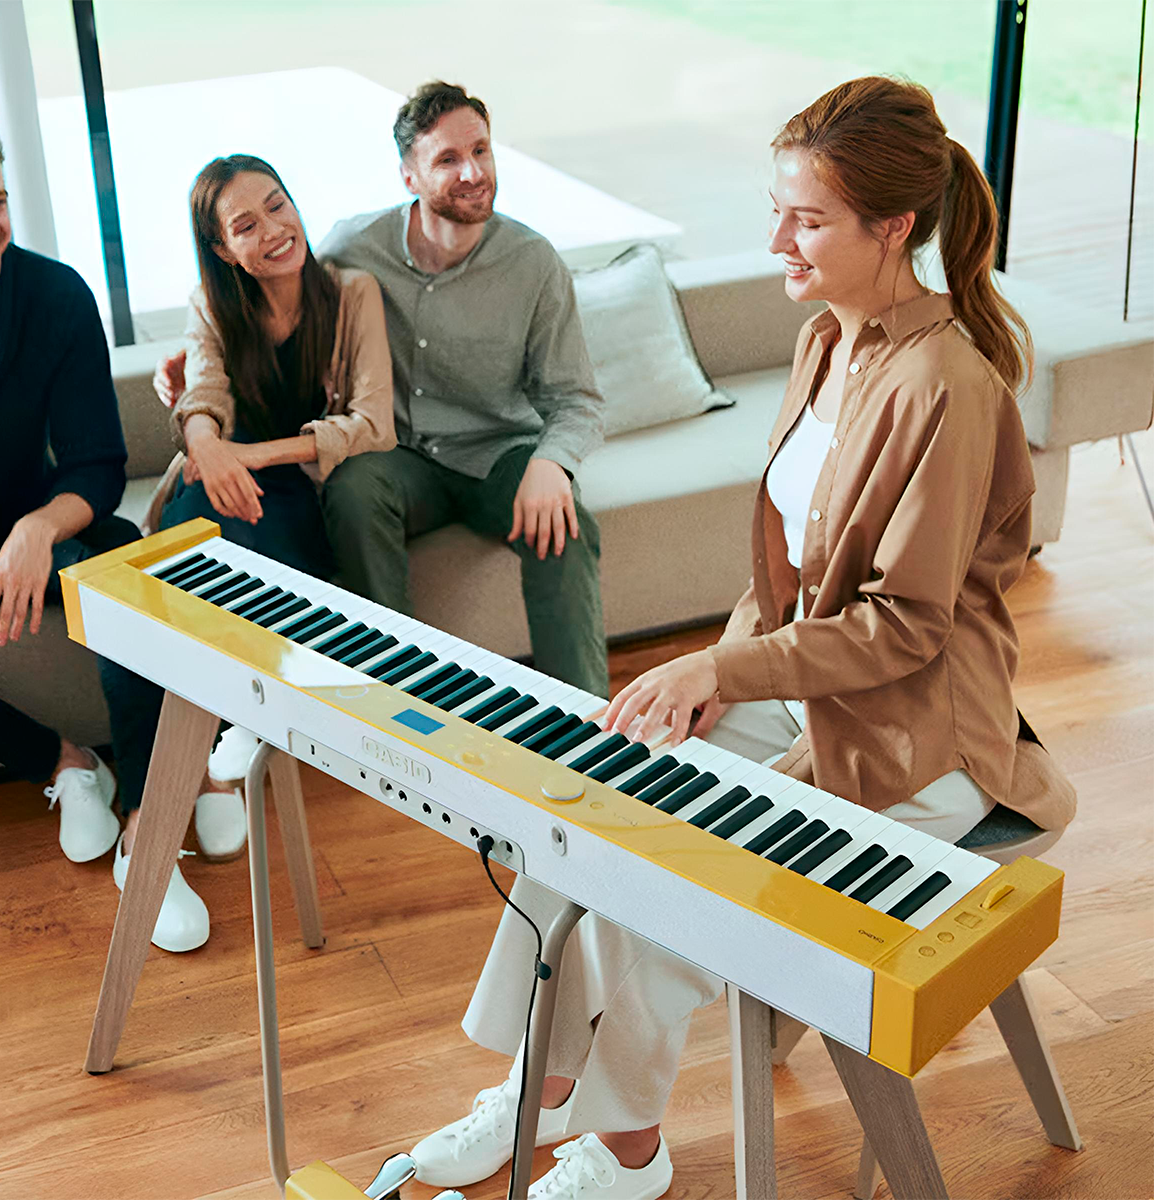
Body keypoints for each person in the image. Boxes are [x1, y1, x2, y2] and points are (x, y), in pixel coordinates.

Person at [406, 78, 1077, 1200]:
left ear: (893, 227)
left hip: (921, 737)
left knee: (675, 885)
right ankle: (543, 1089)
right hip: (809, 686)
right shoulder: (824, 343)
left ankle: (627, 1148)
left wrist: (723, 666)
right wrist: (719, 674)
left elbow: (908, 628)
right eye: (778, 211)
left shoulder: (949, 387)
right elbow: (790, 573)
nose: (778, 241)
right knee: (586, 814)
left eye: (807, 220)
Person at [158, 83, 609, 701]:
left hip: (498, 453)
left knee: (566, 527)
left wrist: (552, 463)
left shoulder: (534, 263)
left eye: (480, 150)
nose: (472, 172)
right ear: (408, 176)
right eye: (448, 159)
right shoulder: (355, 247)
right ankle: (398, 702)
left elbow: (577, 398)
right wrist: (194, 362)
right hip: (399, 458)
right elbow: (280, 292)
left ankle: (587, 726)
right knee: (353, 489)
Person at [0, 115, 210, 952]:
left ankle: (148, 828)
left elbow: (98, 464)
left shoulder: (56, 296)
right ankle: (63, 762)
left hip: (43, 518)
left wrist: (37, 528)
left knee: (127, 578)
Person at [151, 152, 396, 783]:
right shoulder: (212, 304)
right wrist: (206, 444)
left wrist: (244, 455)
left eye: (277, 206)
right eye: (246, 226)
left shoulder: (352, 293)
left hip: (295, 482)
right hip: (222, 476)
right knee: (191, 541)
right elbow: (204, 390)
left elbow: (373, 424)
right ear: (224, 250)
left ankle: (242, 722)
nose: (274, 230)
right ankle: (208, 749)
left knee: (259, 546)